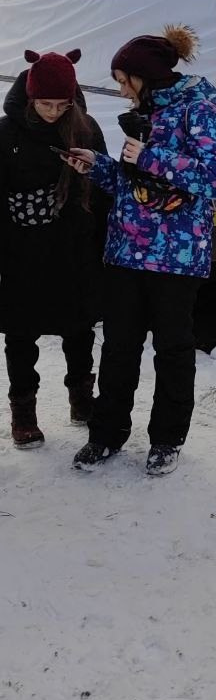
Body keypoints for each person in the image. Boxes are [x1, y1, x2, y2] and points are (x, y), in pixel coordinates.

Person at [67, 25, 216, 476]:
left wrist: (149, 157)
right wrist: (98, 166)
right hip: (126, 250)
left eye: (124, 79)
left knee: (173, 350)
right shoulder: (146, 110)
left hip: (176, 256)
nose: (121, 90)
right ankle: (106, 435)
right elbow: (134, 182)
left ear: (147, 75)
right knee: (119, 346)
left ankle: (166, 439)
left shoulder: (197, 105)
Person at [0, 49, 108, 447]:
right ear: (30, 97)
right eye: (45, 104)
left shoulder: (84, 128)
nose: (53, 112)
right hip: (21, 246)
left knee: (78, 326)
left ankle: (81, 398)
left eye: (62, 104)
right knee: (20, 331)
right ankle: (23, 411)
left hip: (72, 243)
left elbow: (104, 187)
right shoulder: (6, 133)